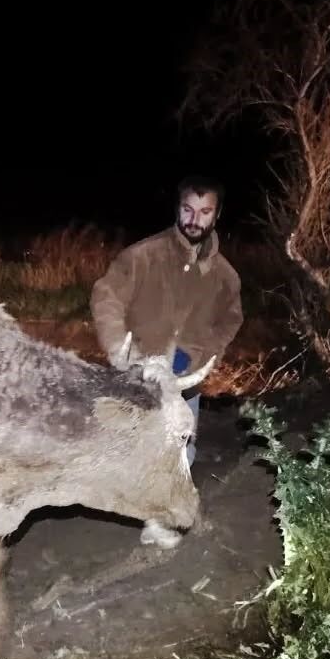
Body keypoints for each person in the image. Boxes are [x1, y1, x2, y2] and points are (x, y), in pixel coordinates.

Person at [90, 172, 243, 523]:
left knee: (181, 455)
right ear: (177, 208)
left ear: (217, 215)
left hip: (186, 382)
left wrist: (208, 354)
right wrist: (118, 349)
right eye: (188, 209)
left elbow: (231, 320)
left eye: (205, 212)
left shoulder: (226, 276)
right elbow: (107, 295)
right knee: (127, 449)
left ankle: (162, 524)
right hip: (139, 375)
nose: (194, 220)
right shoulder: (142, 256)